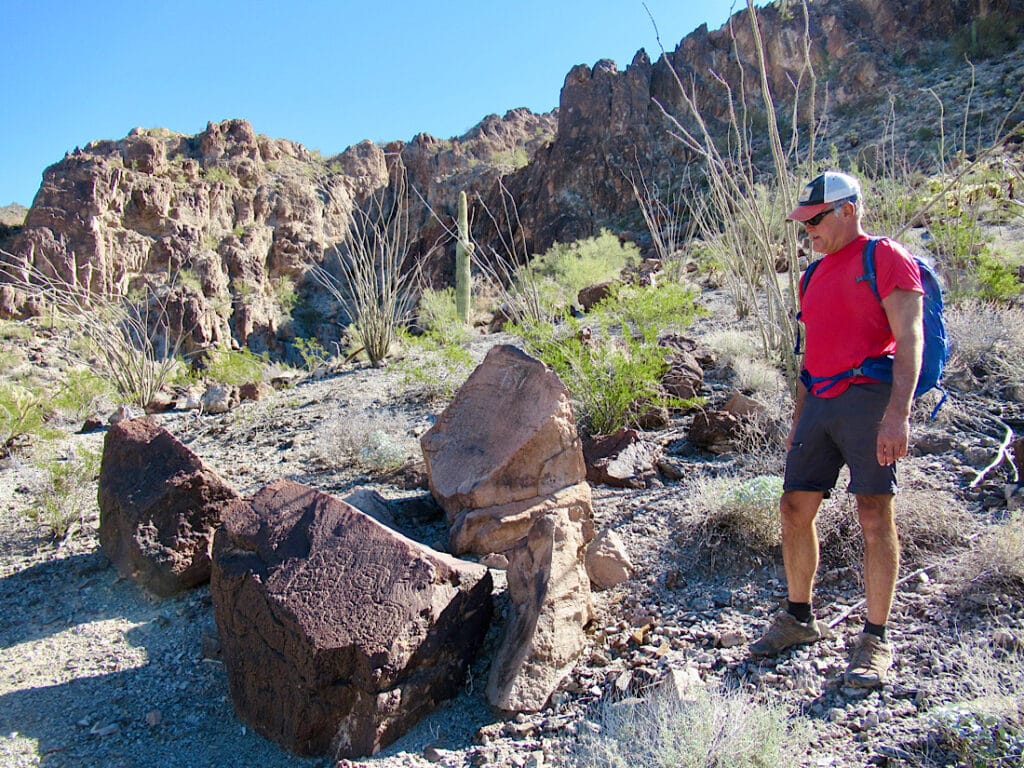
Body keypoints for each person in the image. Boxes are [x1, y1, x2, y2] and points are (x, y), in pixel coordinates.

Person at [749, 171, 924, 688]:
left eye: (816, 219)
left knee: (873, 512)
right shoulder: (812, 277)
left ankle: (875, 638)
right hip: (820, 404)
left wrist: (898, 413)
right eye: (804, 223)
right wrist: (800, 416)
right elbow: (809, 354)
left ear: (848, 210)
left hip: (870, 398)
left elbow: (908, 336)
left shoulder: (884, 256)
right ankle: (799, 619)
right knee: (793, 507)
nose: (809, 231)